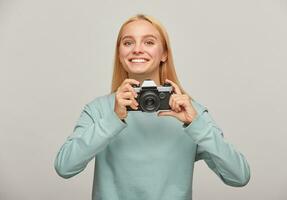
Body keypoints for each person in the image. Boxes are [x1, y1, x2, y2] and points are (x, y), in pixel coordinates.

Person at [54, 14, 250, 200]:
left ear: (164, 53)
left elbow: (239, 176)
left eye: (148, 42)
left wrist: (196, 125)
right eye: (128, 42)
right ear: (120, 54)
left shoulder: (188, 110)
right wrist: (112, 119)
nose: (137, 49)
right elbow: (64, 167)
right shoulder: (100, 109)